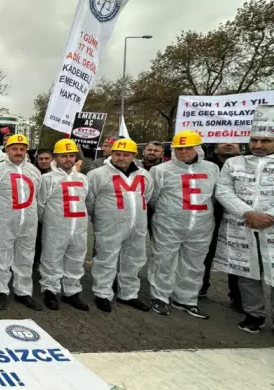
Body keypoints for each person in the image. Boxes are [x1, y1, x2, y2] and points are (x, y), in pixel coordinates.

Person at [214, 105, 274, 333]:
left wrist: (269, 217)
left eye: (266, 140)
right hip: (243, 226)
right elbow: (223, 191)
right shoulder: (234, 163)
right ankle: (253, 315)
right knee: (247, 273)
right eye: (254, 140)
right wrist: (248, 213)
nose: (258, 145)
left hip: (272, 228)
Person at [147, 131, 217, 318]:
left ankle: (186, 299)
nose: (183, 152)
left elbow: (215, 195)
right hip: (168, 223)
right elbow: (152, 198)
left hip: (201, 224)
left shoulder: (212, 168)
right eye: (179, 148)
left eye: (188, 148)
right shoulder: (161, 170)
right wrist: (169, 213)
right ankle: (159, 297)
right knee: (163, 260)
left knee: (194, 263)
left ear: (198, 148)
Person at [86, 138, 153, 313]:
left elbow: (148, 195)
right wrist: (100, 217)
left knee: (133, 260)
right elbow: (89, 200)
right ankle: (102, 293)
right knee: (106, 259)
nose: (121, 158)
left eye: (126, 154)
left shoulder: (143, 175)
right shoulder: (98, 174)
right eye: (117, 154)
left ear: (133, 155)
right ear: (111, 154)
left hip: (136, 225)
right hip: (109, 225)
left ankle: (128, 294)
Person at [0, 134, 42, 311]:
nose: (18, 152)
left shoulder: (34, 171)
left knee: (25, 257)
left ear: (26, 150)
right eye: (14, 149)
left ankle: (23, 292)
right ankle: (1, 291)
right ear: (7, 150)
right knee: (2, 256)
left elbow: (38, 196)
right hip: (4, 220)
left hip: (28, 222)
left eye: (22, 149)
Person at [37, 139, 90, 311]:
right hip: (55, 227)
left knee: (76, 259)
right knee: (51, 258)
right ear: (55, 158)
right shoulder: (47, 179)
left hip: (79, 227)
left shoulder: (83, 178)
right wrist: (50, 223)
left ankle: (71, 291)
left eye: (71, 155)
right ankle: (50, 290)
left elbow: (86, 200)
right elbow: (40, 205)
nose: (68, 159)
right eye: (63, 156)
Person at [200, 142, 242, 309]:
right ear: (215, 148)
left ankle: (239, 297)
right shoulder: (206, 166)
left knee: (238, 256)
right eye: (224, 141)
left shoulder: (248, 164)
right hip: (210, 216)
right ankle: (200, 286)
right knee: (204, 253)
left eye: (234, 141)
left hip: (239, 217)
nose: (229, 144)